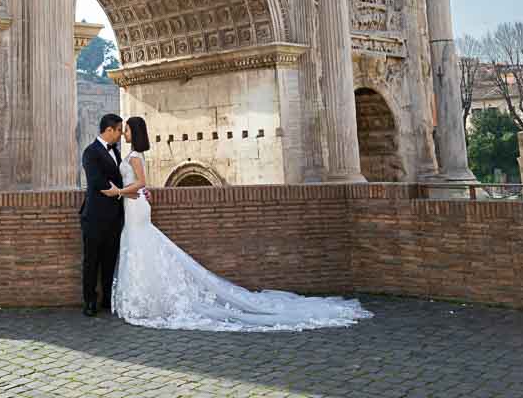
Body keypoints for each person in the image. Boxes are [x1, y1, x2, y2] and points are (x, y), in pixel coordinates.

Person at [109, 116, 373, 332]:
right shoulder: (134, 155)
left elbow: (141, 183)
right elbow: (142, 185)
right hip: (135, 204)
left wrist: (119, 192)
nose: (125, 133)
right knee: (141, 248)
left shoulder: (134, 156)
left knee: (141, 247)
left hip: (135, 205)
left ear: (136, 131)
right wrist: (131, 191)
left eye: (127, 130)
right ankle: (143, 299)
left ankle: (144, 301)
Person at [79, 113, 125, 317]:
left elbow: (121, 180)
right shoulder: (90, 152)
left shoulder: (116, 151)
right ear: (109, 130)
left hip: (115, 217)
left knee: (109, 259)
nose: (121, 135)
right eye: (119, 131)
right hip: (95, 217)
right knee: (91, 261)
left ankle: (107, 298)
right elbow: (96, 181)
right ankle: (89, 301)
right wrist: (115, 190)